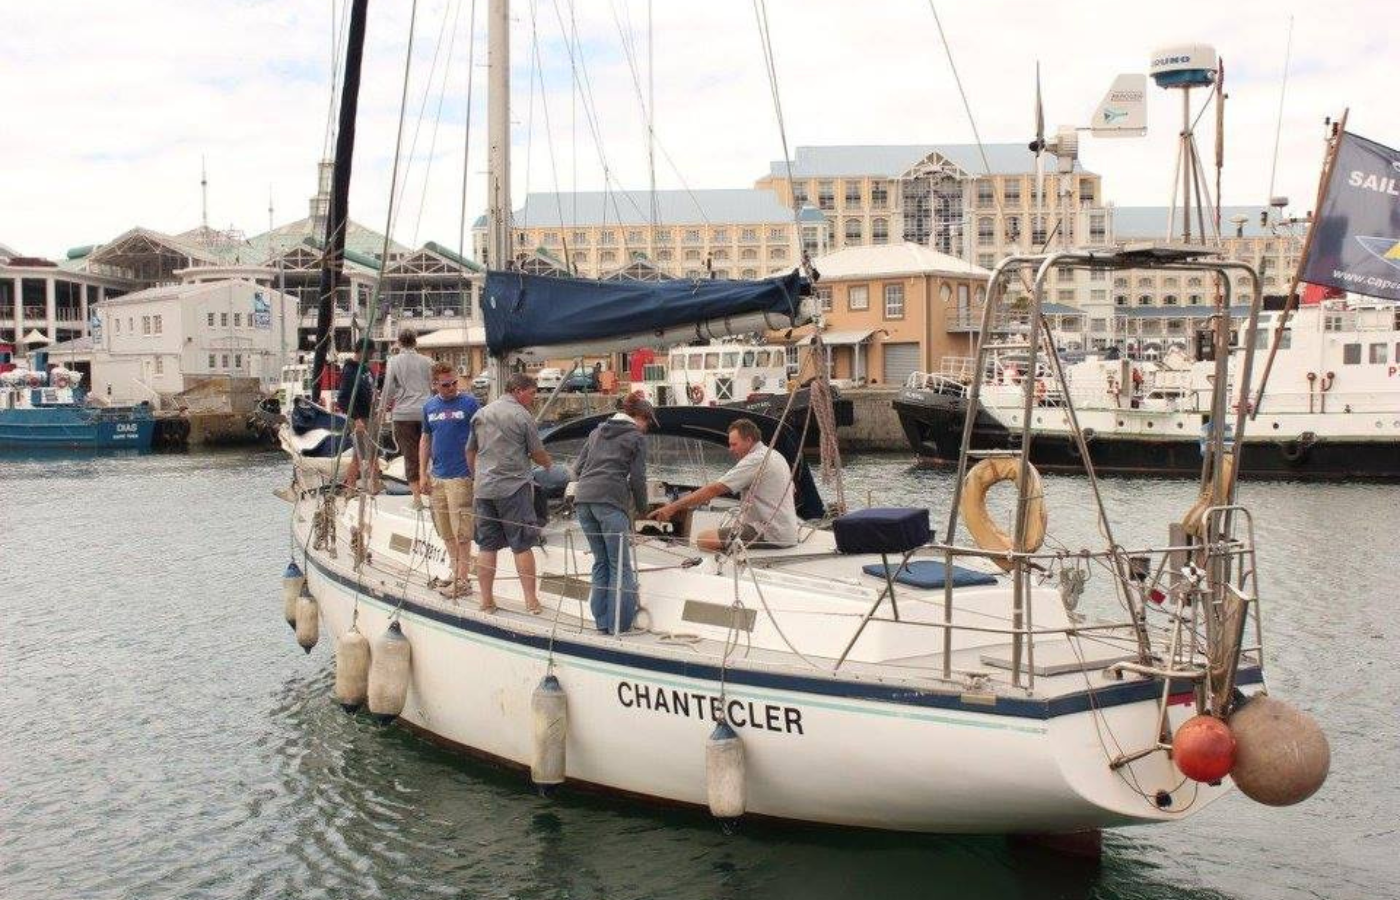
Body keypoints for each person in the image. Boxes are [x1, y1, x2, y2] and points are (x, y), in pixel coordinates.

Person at [467, 373, 552, 614]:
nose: (534, 398)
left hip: (484, 490)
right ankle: (531, 601)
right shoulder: (522, 415)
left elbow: (470, 451)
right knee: (522, 544)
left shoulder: (480, 413)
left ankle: (486, 601)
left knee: (487, 546)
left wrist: (477, 478)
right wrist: (549, 464)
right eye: (532, 393)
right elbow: (536, 452)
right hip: (513, 488)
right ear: (518, 391)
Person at [571, 392, 655, 633]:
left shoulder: (596, 432)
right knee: (620, 565)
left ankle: (602, 622)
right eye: (647, 421)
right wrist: (642, 509)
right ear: (639, 416)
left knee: (601, 562)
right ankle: (619, 623)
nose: (647, 427)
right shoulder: (636, 437)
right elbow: (638, 478)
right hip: (610, 502)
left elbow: (577, 469)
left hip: (584, 500)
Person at [648, 417, 798, 551]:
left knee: (704, 539)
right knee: (724, 531)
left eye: (734, 444)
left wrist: (671, 508)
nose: (730, 449)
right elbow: (792, 490)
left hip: (769, 532)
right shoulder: (775, 455)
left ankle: (726, 570)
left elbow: (715, 489)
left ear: (749, 440)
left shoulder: (755, 460)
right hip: (786, 530)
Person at [420, 361, 480, 599]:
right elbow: (425, 439)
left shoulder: (469, 403)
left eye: (455, 382)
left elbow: (480, 437)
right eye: (446, 385)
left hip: (461, 476)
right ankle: (456, 572)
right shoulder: (429, 407)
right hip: (438, 477)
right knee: (445, 530)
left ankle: (463, 579)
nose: (452, 387)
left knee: (462, 531)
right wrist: (423, 473)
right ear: (436, 384)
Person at [382, 328, 434, 507]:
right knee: (430, 453)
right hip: (426, 411)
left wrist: (382, 411)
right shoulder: (428, 362)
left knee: (410, 455)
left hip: (403, 414)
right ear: (416, 342)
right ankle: (432, 494)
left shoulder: (393, 362)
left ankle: (417, 499)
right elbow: (432, 387)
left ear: (399, 342)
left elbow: (388, 389)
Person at [337, 347, 377, 492]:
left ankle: (375, 485)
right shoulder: (349, 371)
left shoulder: (366, 369)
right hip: (359, 418)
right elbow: (342, 399)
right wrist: (356, 418)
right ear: (362, 351)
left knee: (373, 453)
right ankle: (350, 488)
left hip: (370, 415)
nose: (372, 356)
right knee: (359, 455)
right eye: (371, 353)